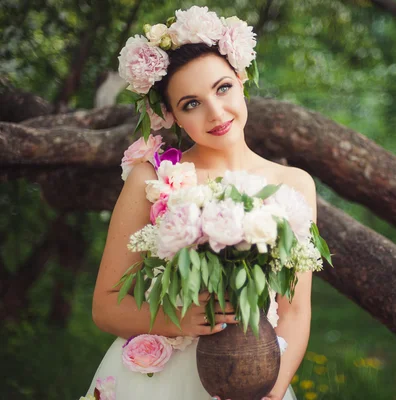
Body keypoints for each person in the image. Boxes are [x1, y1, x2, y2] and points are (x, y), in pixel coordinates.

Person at [86, 6, 316, 400]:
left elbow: (293, 311)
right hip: (155, 379)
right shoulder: (152, 179)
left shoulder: (292, 184)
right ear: (171, 115)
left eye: (223, 88)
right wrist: (180, 319)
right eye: (191, 103)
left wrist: (271, 391)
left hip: (256, 373)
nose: (215, 112)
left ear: (242, 80)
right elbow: (106, 308)